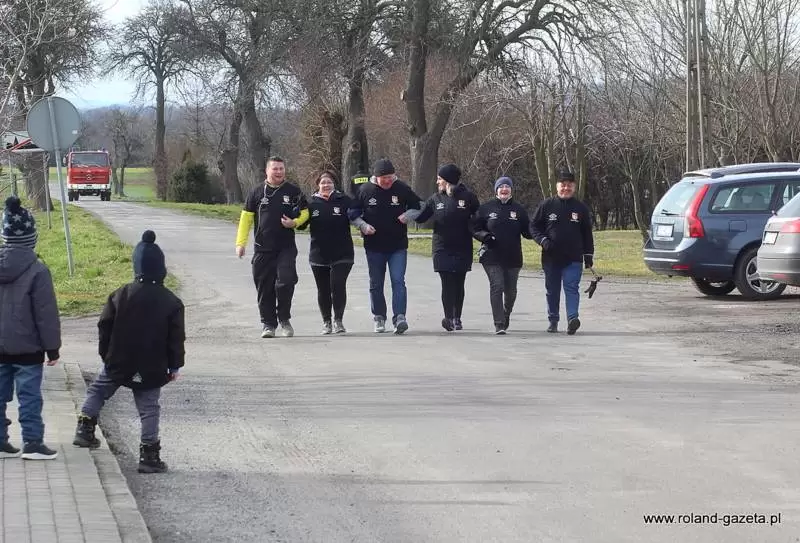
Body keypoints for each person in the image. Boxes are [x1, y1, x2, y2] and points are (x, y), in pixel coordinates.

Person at [73, 230, 185, 474]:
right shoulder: (171, 302)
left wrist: (106, 354)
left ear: (136, 267)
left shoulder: (120, 295)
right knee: (149, 408)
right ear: (161, 269)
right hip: (152, 364)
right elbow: (175, 338)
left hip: (118, 360)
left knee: (98, 391)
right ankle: (149, 455)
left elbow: (104, 326)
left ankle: (84, 429)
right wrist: (174, 365)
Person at [0, 196, 60, 460]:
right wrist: (52, 348)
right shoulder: (38, 270)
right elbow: (46, 314)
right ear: (31, 238)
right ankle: (33, 443)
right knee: (29, 397)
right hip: (28, 348)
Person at [235, 156, 310, 338]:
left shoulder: (293, 191)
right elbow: (246, 218)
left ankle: (284, 318)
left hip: (286, 247)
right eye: (275, 169)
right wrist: (240, 243)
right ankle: (268, 324)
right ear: (267, 171)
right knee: (264, 287)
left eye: (281, 168)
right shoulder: (256, 192)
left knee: (286, 281)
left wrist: (295, 222)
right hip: (262, 248)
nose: (279, 172)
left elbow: (305, 213)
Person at [348, 158, 423, 334]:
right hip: (374, 246)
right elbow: (352, 212)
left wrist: (408, 215)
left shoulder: (401, 188)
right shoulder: (365, 190)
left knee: (398, 281)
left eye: (391, 177)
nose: (388, 181)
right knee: (376, 283)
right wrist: (363, 226)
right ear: (376, 177)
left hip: (398, 245)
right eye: (384, 178)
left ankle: (400, 317)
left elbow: (420, 205)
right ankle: (379, 317)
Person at [415, 163, 479, 331]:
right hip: (442, 248)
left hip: (462, 246)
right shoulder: (435, 199)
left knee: (459, 282)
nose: (437, 182)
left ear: (448, 180)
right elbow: (421, 218)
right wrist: (409, 209)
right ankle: (448, 318)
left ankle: (457, 317)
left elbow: (479, 217)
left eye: (440, 179)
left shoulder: (468, 197)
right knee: (447, 282)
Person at [530, 169, 595, 335]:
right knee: (552, 290)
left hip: (573, 257)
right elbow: (534, 227)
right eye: (563, 185)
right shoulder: (546, 205)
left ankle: (573, 318)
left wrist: (588, 255)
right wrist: (543, 241)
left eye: (569, 185)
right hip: (551, 257)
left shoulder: (580, 208)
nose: (566, 188)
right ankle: (553, 319)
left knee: (571, 287)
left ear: (574, 187)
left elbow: (587, 233)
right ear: (557, 186)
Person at [472, 177, 533, 335]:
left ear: (511, 190)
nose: (504, 189)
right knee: (497, 286)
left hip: (513, 257)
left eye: (507, 186)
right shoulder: (486, 208)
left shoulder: (519, 210)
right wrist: (485, 236)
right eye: (501, 187)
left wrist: (539, 230)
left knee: (511, 292)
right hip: (491, 256)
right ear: (496, 190)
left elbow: (528, 232)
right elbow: (474, 228)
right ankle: (499, 323)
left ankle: (506, 313)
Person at [303, 171, 357, 334]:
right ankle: (326, 321)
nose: (326, 185)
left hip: (343, 253)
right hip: (319, 254)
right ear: (318, 185)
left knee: (338, 285)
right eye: (323, 183)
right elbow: (301, 223)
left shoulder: (344, 200)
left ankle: (338, 320)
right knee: (323, 289)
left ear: (334, 184)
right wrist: (293, 217)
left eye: (329, 182)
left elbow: (357, 216)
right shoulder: (311, 203)